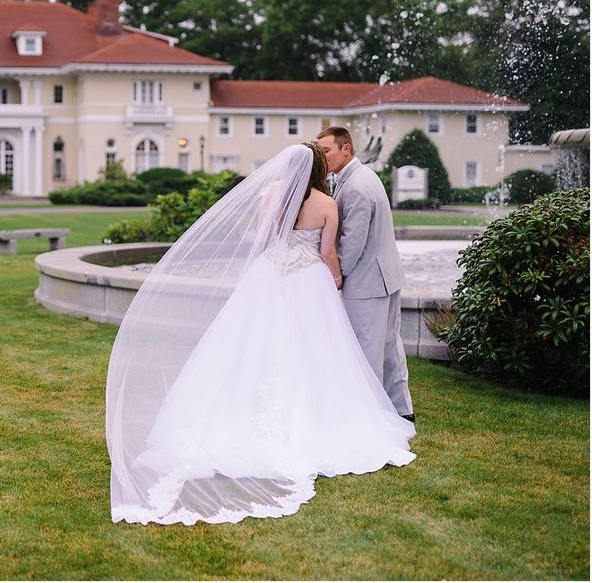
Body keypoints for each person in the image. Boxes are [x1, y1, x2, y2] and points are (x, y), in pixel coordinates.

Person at [106, 143, 415, 526]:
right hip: (307, 281)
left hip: (269, 276)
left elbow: (265, 238)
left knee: (249, 347)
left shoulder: (270, 194)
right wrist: (335, 281)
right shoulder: (326, 204)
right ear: (320, 167)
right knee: (315, 352)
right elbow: (329, 254)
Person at [316, 127, 415, 422]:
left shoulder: (356, 186)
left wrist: (336, 278)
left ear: (346, 149)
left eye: (327, 151)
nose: (323, 158)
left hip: (368, 281)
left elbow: (352, 242)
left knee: (368, 351)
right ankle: (401, 411)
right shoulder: (362, 177)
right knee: (388, 347)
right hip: (384, 276)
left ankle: (370, 419)